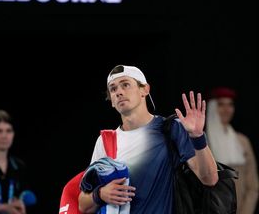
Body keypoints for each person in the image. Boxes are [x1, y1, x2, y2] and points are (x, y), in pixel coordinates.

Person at [78, 65, 219, 214]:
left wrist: (198, 138)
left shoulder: (170, 129)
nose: (119, 92)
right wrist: (100, 194)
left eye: (125, 85)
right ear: (112, 101)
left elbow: (210, 179)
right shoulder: (105, 141)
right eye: (113, 89)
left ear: (145, 89)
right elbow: (83, 204)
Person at [206, 87, 258, 214]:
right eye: (221, 105)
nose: (226, 110)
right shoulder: (203, 142)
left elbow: (253, 185)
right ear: (213, 107)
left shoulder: (243, 142)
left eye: (230, 105)